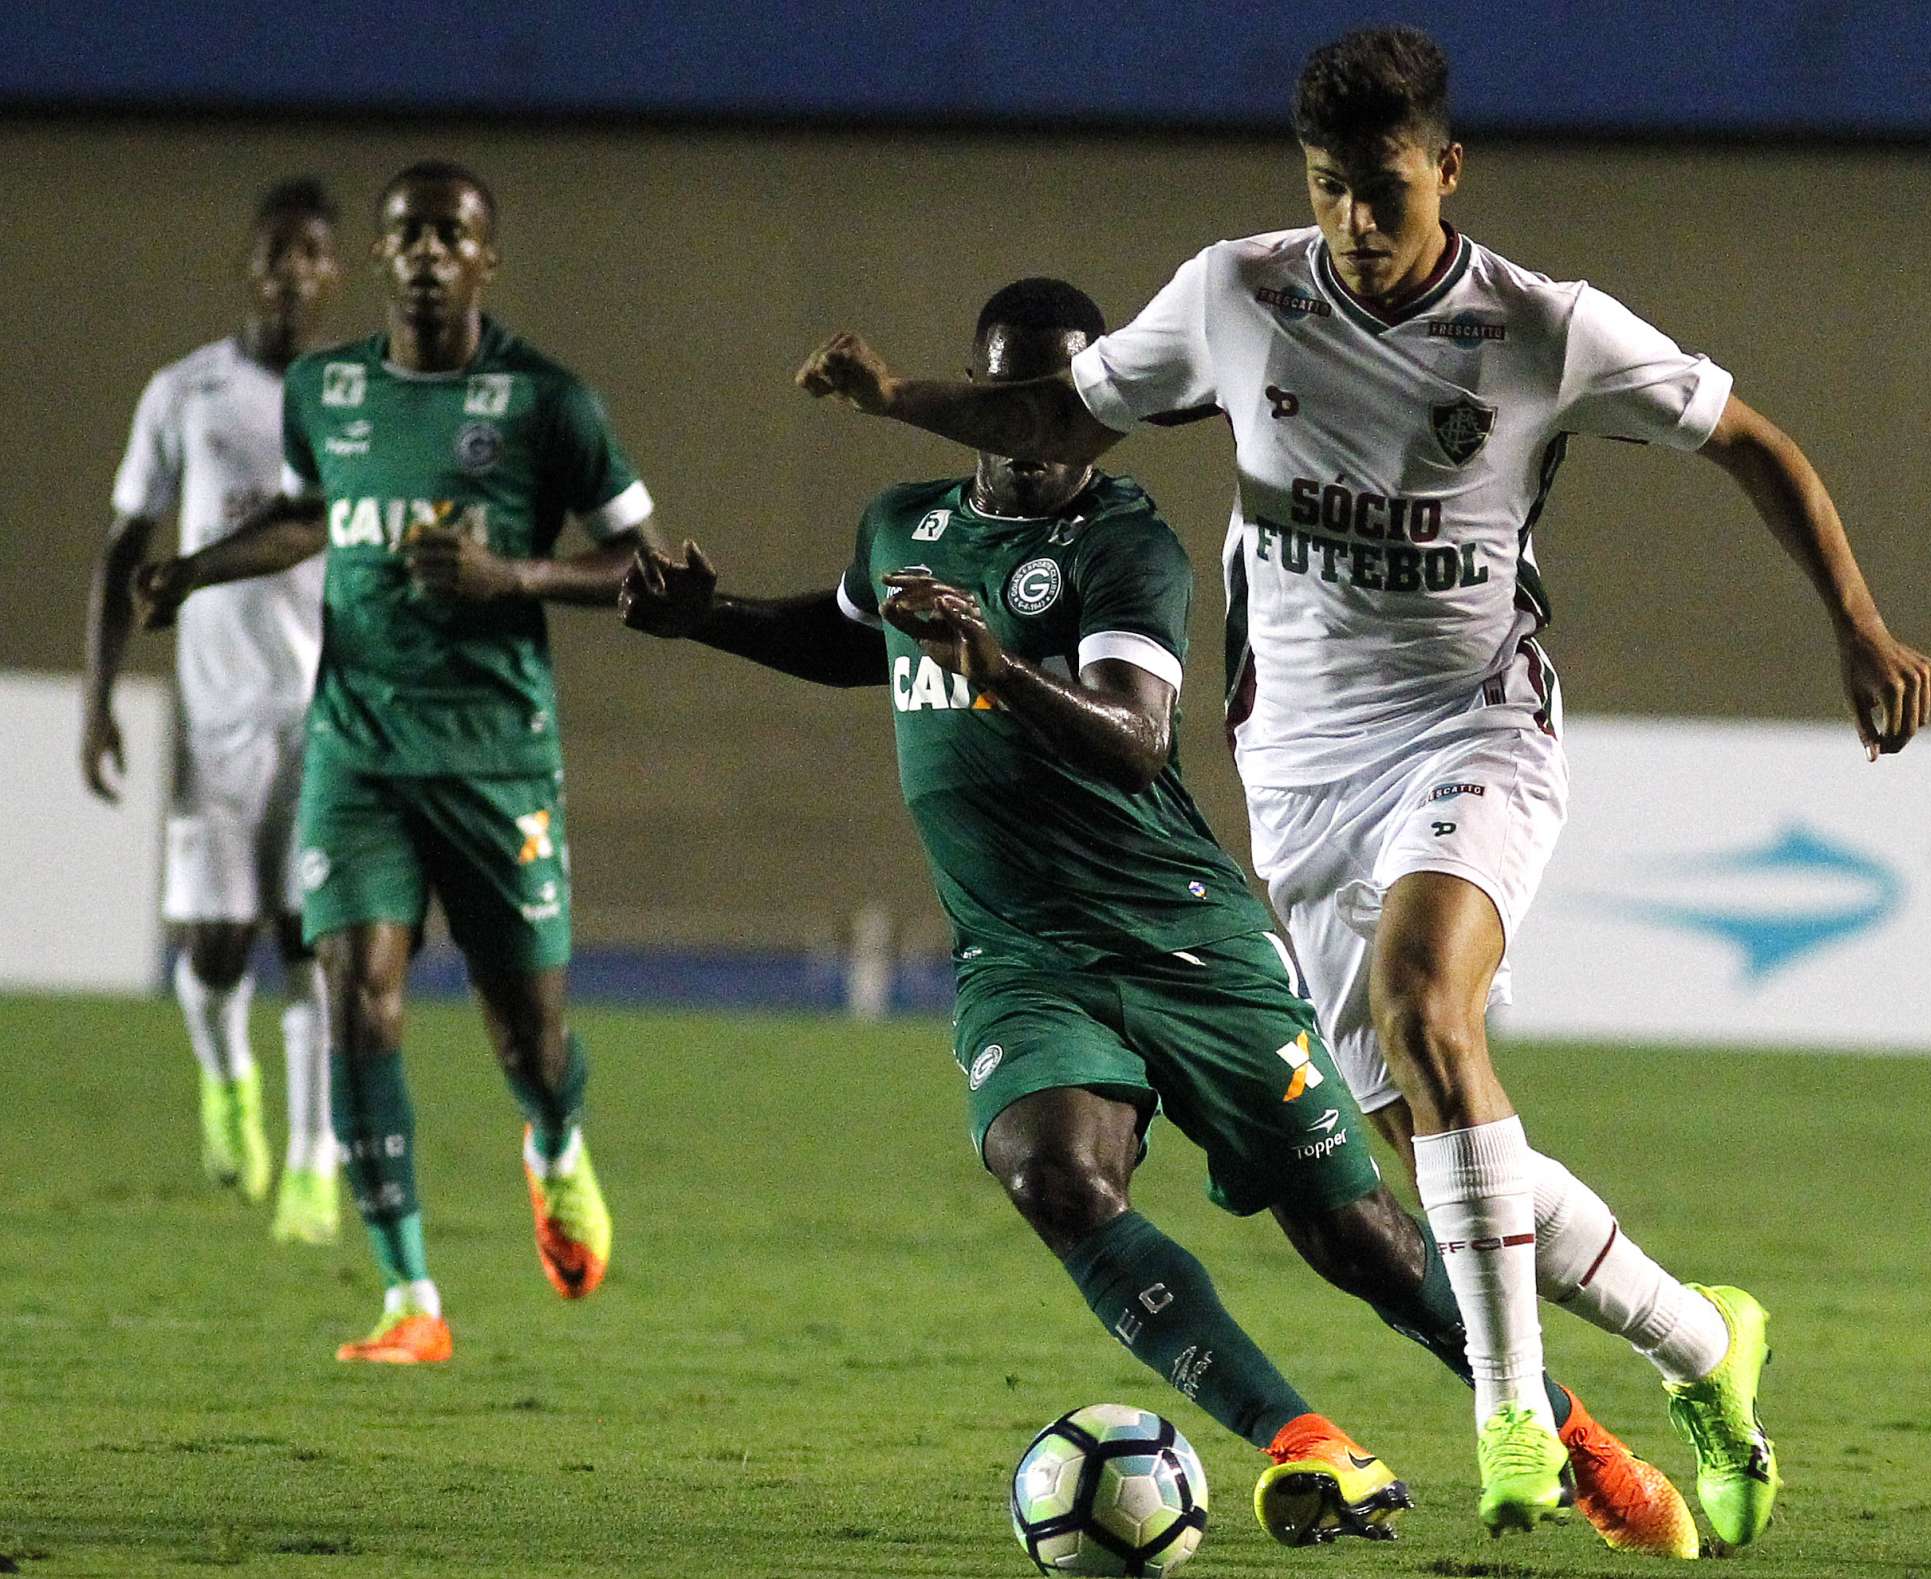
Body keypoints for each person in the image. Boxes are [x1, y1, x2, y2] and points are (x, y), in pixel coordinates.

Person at [793, 26, 1931, 1549]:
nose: (1354, 223)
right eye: (1329, 189)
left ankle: (1514, 1415)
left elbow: (1754, 443)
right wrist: (897, 402)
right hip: (1303, 774)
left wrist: (1858, 624)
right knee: (1440, 1144)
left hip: (1475, 726)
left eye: (1384, 192)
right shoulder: (1236, 294)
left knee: (1427, 1004)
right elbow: (1060, 412)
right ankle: (1699, 1336)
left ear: (1449, 171)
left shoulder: (1545, 329)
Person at [622, 277, 1702, 1558]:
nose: (1035, 432)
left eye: (1060, 406)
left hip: (1183, 937)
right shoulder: (902, 523)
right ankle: (1311, 1445)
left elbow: (1133, 738)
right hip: (1024, 956)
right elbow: (857, 639)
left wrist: (994, 667)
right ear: (978, 400)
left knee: (1354, 1233)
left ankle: (1575, 1438)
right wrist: (714, 620)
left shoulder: (1125, 542)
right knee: (1054, 1173)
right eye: (1013, 402)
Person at [136, 161, 665, 1365]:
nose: (427, 253)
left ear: (487, 259)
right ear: (381, 259)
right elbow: (312, 511)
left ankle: (554, 1142)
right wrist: (196, 567)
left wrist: (514, 576)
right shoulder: (327, 388)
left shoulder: (546, 401)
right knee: (355, 999)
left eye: (452, 235)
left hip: (496, 761)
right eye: (407, 236)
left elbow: (649, 568)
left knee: (526, 1038)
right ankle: (409, 1296)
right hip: (357, 752)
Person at [83, 177, 344, 1244]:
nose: (292, 272)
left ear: (334, 275)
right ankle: (227, 1074)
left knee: (315, 942)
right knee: (218, 949)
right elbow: (119, 552)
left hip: (328, 715)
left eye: (313, 255)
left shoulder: (351, 400)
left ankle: (315, 1165)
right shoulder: (183, 392)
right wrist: (97, 702)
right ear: (252, 265)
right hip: (215, 720)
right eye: (276, 251)